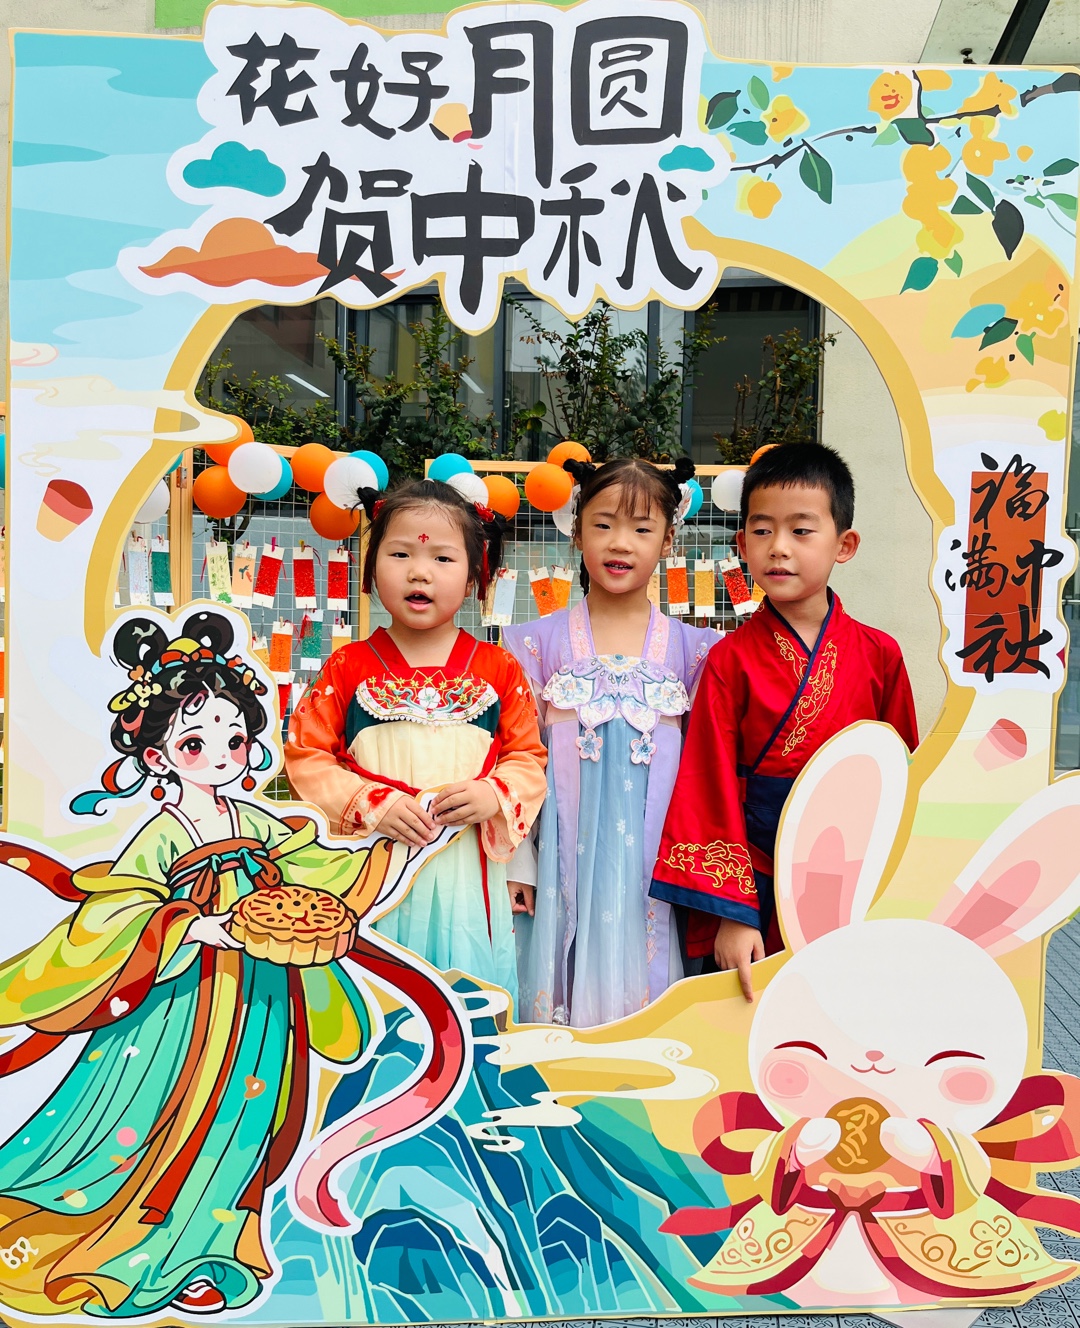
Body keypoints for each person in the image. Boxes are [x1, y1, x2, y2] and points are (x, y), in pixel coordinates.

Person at [0, 610, 430, 1318]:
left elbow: (323, 880)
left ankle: (210, 1249)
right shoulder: (162, 834)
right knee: (153, 1112)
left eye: (234, 738)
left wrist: (399, 848)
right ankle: (125, 1245)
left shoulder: (257, 823)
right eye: (195, 743)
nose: (222, 754)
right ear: (158, 758)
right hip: (176, 1006)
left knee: (244, 1113)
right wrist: (196, 925)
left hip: (260, 1001)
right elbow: (116, 912)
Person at [650, 442, 918, 1003]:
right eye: (762, 530)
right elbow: (708, 782)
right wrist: (734, 913)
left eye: (801, 531)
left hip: (852, 874)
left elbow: (901, 781)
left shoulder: (880, 655)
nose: (778, 547)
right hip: (758, 875)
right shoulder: (729, 659)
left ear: (844, 545)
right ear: (741, 543)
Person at [286, 478, 547, 1006]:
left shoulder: (498, 667)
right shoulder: (347, 666)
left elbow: (527, 758)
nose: (419, 572)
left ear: (475, 575)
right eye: (400, 553)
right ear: (370, 567)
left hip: (466, 874)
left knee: (467, 1006)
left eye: (443, 559)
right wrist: (370, 803)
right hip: (372, 864)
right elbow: (305, 757)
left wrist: (492, 794)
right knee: (377, 1003)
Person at [502, 458, 719, 1026]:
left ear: (668, 541)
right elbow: (516, 759)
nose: (620, 543)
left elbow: (709, 773)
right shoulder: (534, 645)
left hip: (659, 872)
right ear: (576, 532)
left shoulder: (697, 651)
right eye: (603, 524)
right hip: (560, 866)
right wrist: (519, 860)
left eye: (641, 528)